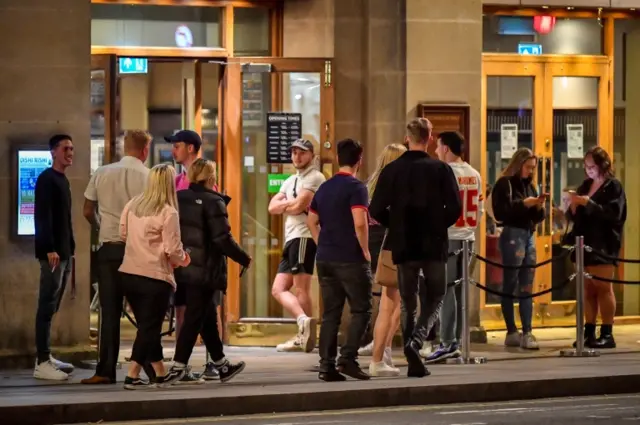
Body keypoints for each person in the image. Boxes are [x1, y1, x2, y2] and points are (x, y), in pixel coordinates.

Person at [370, 118, 462, 378]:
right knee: (436, 294)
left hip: (404, 244)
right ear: (430, 137)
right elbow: (455, 208)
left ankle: (413, 358)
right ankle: (416, 343)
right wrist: (436, 225)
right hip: (433, 243)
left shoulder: (393, 170)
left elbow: (375, 209)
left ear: (406, 137)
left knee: (408, 302)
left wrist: (397, 225)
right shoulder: (440, 169)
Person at [167, 159, 252, 384]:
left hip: (183, 265)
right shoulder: (214, 201)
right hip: (205, 269)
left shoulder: (178, 198)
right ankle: (178, 365)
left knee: (206, 317)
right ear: (211, 178)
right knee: (196, 316)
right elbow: (222, 238)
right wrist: (243, 258)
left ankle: (221, 365)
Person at [81, 130, 152, 385]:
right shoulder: (149, 176)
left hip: (109, 248)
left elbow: (87, 210)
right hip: (138, 250)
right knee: (145, 313)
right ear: (144, 150)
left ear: (125, 147)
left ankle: (105, 371)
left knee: (108, 312)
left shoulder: (102, 172)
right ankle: (151, 369)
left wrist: (101, 226)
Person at [118, 164, 191, 390]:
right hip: (155, 277)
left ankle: (159, 373)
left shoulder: (132, 205)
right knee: (149, 328)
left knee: (146, 327)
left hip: (129, 273)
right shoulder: (168, 211)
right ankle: (132, 374)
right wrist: (185, 258)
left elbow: (122, 233)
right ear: (169, 184)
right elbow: (172, 250)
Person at [307, 139, 372, 381]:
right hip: (350, 257)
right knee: (362, 309)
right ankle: (348, 358)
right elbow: (359, 222)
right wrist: (365, 250)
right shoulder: (357, 188)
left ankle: (326, 366)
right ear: (360, 160)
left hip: (325, 258)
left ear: (337, 158)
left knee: (330, 314)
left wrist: (321, 242)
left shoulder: (325, 187)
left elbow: (311, 221)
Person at [426, 131, 483, 364]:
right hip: (468, 237)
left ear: (447, 149)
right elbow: (479, 210)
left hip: (448, 237)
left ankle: (448, 342)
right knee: (460, 292)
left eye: (438, 147)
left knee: (446, 292)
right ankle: (456, 341)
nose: (437, 151)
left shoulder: (443, 172)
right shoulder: (475, 174)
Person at [268, 139, 326, 352]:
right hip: (290, 238)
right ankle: (303, 323)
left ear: (311, 154)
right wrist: (287, 206)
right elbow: (272, 207)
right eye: (293, 152)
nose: (296, 157)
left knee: (301, 287)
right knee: (278, 289)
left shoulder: (315, 177)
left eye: (301, 152)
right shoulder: (291, 180)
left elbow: (300, 205)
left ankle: (309, 336)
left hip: (304, 237)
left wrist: (287, 206)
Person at [566, 146, 626, 349]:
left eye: (592, 166)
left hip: (603, 244)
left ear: (603, 165)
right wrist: (572, 207)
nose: (588, 170)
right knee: (587, 289)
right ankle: (588, 330)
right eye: (586, 166)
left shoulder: (613, 187)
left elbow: (614, 215)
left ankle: (607, 332)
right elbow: (575, 217)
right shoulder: (585, 185)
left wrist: (589, 203)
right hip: (583, 242)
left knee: (603, 288)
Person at [490, 147, 545, 350]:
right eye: (528, 167)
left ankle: (528, 331)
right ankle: (511, 330)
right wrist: (524, 204)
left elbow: (538, 217)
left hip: (529, 234)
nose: (531, 171)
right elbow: (501, 212)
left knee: (527, 285)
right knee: (510, 284)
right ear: (518, 164)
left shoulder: (531, 186)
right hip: (512, 235)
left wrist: (538, 207)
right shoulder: (505, 184)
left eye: (533, 168)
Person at [359, 143, 406, 377]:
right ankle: (382, 350)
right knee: (395, 300)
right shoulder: (396, 184)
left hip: (373, 241)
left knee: (390, 299)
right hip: (390, 241)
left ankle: (382, 347)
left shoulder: (371, 184)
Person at [33, 134, 76, 380]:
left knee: (53, 306)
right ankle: (41, 361)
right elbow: (42, 216)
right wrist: (49, 248)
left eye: (72, 149)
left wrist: (71, 248)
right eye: (66, 149)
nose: (70, 153)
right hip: (53, 254)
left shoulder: (63, 180)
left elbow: (65, 220)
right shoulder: (46, 179)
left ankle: (46, 356)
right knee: (46, 305)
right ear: (53, 152)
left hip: (64, 252)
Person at [164, 130, 202, 345]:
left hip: (197, 252)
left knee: (202, 305)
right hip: (180, 248)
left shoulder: (204, 177)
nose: (173, 150)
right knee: (180, 305)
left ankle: (210, 355)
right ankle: (182, 354)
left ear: (190, 148)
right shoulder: (178, 179)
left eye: (177, 146)